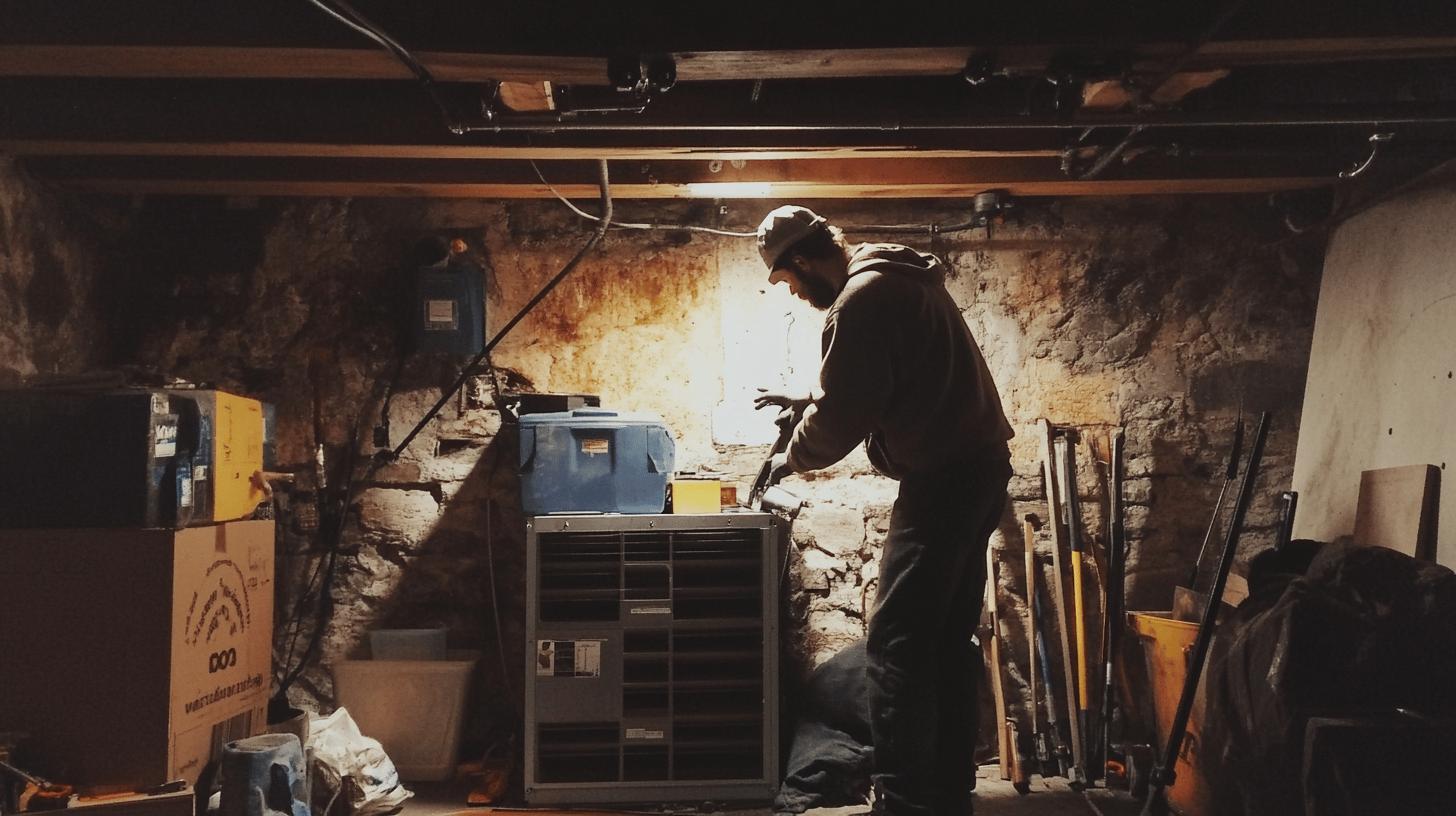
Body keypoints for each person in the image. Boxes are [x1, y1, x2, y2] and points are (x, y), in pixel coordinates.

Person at [753, 205, 1014, 816]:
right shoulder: (900, 282)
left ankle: (899, 802)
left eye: (788, 278)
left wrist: (790, 458)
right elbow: (885, 379)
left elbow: (845, 413)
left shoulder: (861, 300)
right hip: (976, 471)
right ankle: (949, 792)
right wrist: (809, 396)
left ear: (803, 258)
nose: (791, 290)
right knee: (944, 640)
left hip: (943, 482)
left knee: (896, 645)